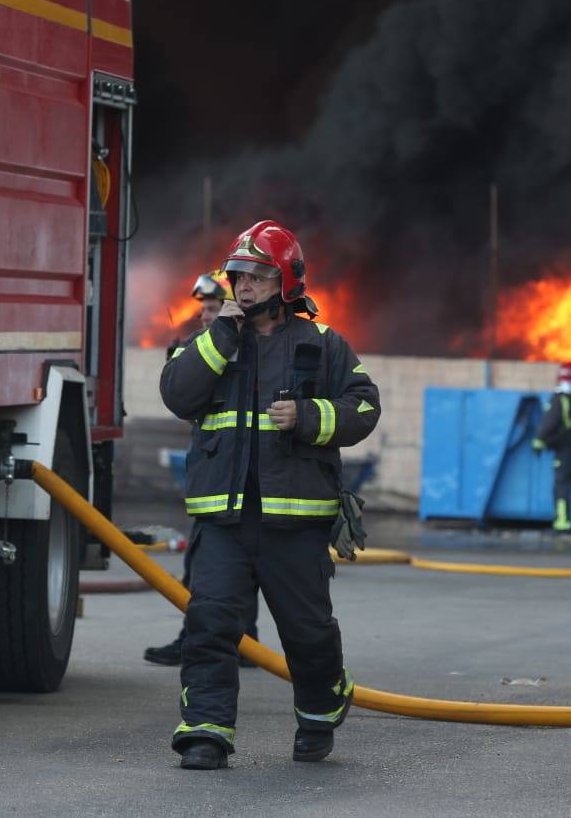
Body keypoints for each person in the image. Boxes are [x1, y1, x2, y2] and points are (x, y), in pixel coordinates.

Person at [159, 219, 380, 770]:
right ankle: (206, 730)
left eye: (257, 276)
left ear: (285, 281)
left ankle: (320, 711)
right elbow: (177, 393)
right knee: (210, 624)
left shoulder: (322, 346)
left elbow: (365, 407)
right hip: (223, 520)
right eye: (239, 276)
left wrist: (308, 416)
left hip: (295, 521)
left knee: (307, 633)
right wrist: (221, 336)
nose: (245, 286)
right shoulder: (214, 340)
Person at [146, 272, 260, 667]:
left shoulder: (250, 352)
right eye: (203, 310)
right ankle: (240, 641)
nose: (205, 317)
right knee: (216, 569)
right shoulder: (207, 349)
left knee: (216, 571)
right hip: (216, 483)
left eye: (213, 308)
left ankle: (227, 641)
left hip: (237, 486)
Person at [533, 362, 571, 532]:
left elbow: (550, 422)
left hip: (564, 451)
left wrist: (538, 441)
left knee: (562, 486)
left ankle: (562, 522)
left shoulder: (560, 397)